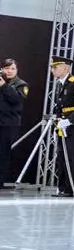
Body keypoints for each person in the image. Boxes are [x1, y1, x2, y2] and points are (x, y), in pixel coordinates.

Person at [50, 56, 74, 197]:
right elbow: (60, 107)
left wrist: (70, 121)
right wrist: (58, 125)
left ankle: (70, 188)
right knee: (61, 155)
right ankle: (61, 187)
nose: (52, 69)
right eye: (52, 67)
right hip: (63, 124)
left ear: (66, 68)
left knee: (71, 155)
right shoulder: (61, 84)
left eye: (56, 67)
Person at [0, 58, 28, 189]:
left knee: (3, 153)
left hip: (8, 124)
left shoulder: (21, 84)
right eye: (7, 68)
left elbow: (17, 100)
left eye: (12, 68)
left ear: (17, 70)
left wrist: (4, 86)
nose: (9, 71)